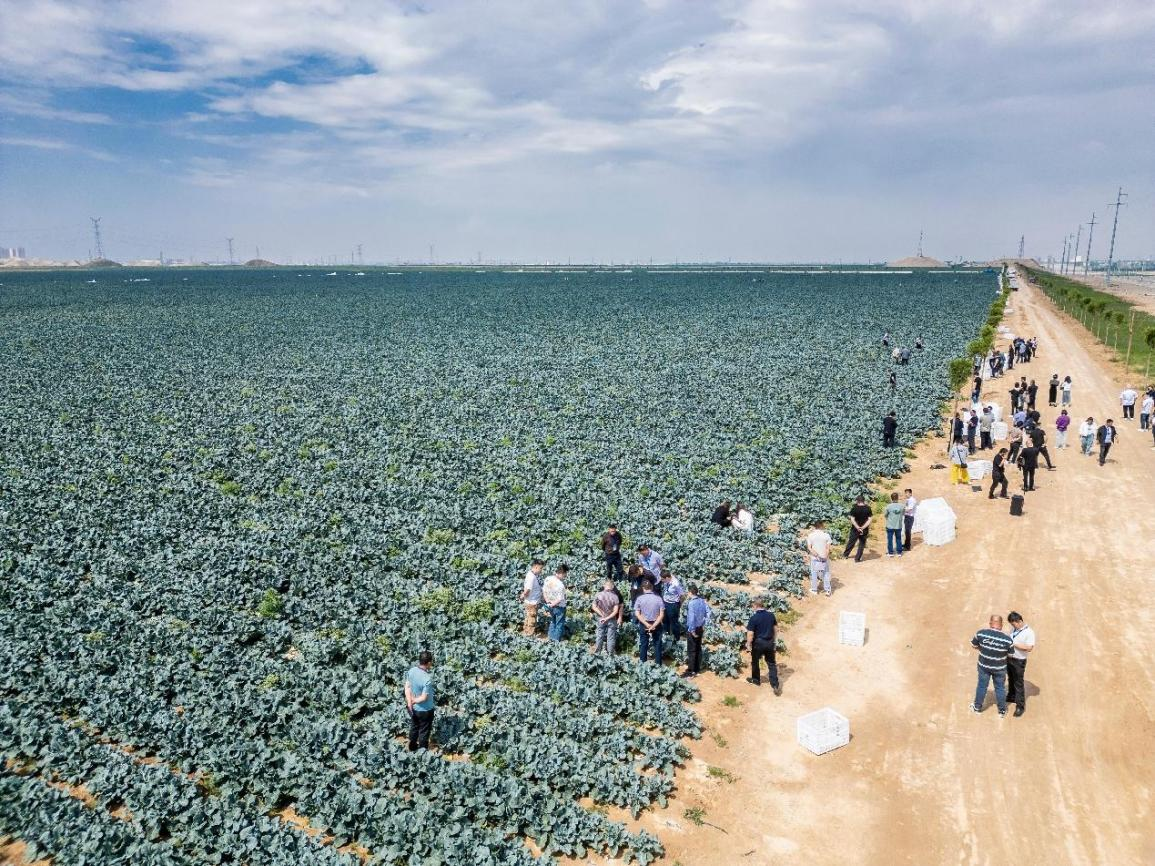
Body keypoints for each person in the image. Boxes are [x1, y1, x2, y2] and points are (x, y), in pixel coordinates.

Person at [970, 615, 1013, 716]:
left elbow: (974, 645)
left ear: (990, 623)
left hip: (983, 666)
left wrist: (984, 649)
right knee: (1000, 688)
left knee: (981, 686)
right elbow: (1010, 654)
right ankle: (1002, 711)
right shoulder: (1008, 640)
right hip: (999, 668)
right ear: (1001, 625)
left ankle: (977, 707)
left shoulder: (980, 633)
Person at [745, 598, 781, 695]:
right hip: (769, 642)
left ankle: (756, 680)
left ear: (756, 606)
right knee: (772, 664)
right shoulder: (771, 615)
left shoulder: (754, 618)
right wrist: (774, 641)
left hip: (758, 643)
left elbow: (750, 634)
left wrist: (748, 644)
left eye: (753, 606)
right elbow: (776, 629)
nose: (753, 608)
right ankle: (775, 685)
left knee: (755, 661)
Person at [1006, 611, 1036, 717]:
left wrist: (1014, 644)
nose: (1012, 626)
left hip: (1019, 661)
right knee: (1011, 679)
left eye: (1013, 624)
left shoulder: (1029, 632)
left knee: (1018, 683)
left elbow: (1029, 648)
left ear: (1019, 621)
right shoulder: (1014, 629)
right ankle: (1011, 696)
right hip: (1009, 658)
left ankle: (1020, 707)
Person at [405, 650, 435, 750]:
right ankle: (422, 752)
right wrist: (414, 701)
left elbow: (407, 687)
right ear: (429, 663)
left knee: (414, 727)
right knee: (424, 731)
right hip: (426, 710)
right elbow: (424, 698)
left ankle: (412, 747)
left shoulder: (412, 671)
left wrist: (410, 702)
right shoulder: (427, 679)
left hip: (414, 708)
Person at [682, 584, 711, 678]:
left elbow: (691, 618)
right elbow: (708, 613)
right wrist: (704, 624)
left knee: (692, 650)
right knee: (698, 648)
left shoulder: (691, 603)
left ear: (690, 592)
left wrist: (692, 631)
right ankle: (697, 669)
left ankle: (691, 671)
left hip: (693, 629)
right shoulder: (702, 601)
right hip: (700, 628)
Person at [633, 580, 665, 664]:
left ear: (643, 588)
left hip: (644, 624)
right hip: (656, 624)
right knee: (657, 643)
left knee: (644, 643)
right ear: (652, 587)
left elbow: (637, 614)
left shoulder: (639, 599)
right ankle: (658, 664)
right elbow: (661, 615)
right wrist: (653, 625)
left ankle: (642, 662)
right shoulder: (658, 599)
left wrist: (647, 624)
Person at [591, 579, 621, 655]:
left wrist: (602, 615)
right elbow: (615, 611)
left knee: (599, 635)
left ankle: (597, 652)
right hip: (611, 619)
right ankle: (610, 654)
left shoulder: (598, 595)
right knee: (611, 637)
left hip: (601, 618)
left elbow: (594, 607)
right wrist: (607, 618)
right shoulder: (615, 597)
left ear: (604, 586)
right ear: (612, 587)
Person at [806, 519, 833, 595]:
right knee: (826, 573)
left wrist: (816, 555)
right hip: (824, 558)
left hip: (815, 558)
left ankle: (814, 590)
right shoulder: (826, 535)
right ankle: (827, 590)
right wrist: (825, 556)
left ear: (815, 527)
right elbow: (828, 548)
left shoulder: (811, 535)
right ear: (822, 526)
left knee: (814, 573)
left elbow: (809, 547)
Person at [843, 495, 872, 563]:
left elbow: (852, 519)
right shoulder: (868, 508)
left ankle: (845, 555)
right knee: (861, 544)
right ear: (863, 500)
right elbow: (869, 520)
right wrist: (862, 527)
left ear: (857, 500)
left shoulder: (854, 508)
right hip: (864, 529)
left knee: (851, 542)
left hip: (855, 529)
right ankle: (857, 558)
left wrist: (858, 527)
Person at [542, 564, 568, 641]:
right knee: (559, 623)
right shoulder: (560, 585)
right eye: (565, 574)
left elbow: (544, 591)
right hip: (559, 607)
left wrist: (548, 603)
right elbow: (560, 599)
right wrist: (552, 605)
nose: (565, 576)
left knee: (553, 621)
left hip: (549, 604)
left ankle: (550, 638)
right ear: (561, 573)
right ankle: (556, 640)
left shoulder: (548, 579)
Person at [520, 559, 544, 636]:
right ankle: (529, 635)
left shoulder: (531, 574)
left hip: (531, 601)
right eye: (541, 568)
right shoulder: (531, 577)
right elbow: (528, 590)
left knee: (528, 616)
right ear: (536, 567)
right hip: (532, 602)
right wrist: (523, 595)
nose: (541, 570)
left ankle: (526, 631)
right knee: (532, 619)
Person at [660, 568, 685, 640]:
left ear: (667, 578)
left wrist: (678, 605)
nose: (662, 581)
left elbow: (682, 595)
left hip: (673, 604)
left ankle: (676, 638)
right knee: (665, 620)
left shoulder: (676, 584)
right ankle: (666, 635)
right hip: (665, 602)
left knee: (674, 622)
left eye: (662, 579)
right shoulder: (667, 581)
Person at [882, 492, 904, 557]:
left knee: (890, 539)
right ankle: (899, 552)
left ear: (891, 498)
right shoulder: (902, 506)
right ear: (898, 498)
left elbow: (885, 515)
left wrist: (888, 518)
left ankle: (890, 553)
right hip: (898, 525)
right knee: (898, 538)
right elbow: (903, 514)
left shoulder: (888, 506)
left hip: (890, 525)